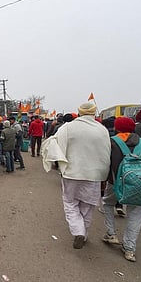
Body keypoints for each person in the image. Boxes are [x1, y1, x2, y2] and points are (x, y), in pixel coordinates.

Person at [54, 102, 111, 249]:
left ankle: (78, 231)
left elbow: (57, 147)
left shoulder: (67, 127)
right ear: (93, 114)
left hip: (71, 172)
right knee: (87, 206)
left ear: (79, 113)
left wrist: (61, 166)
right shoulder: (102, 129)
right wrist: (103, 174)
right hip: (94, 174)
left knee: (70, 203)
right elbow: (106, 154)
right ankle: (84, 235)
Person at [101, 117, 141, 262]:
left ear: (116, 128)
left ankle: (111, 233)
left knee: (108, 203)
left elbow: (106, 163)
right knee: (136, 213)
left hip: (115, 182)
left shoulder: (111, 142)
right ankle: (129, 248)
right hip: (140, 183)